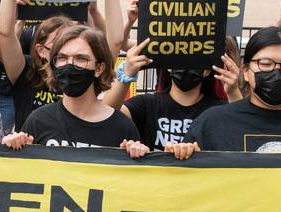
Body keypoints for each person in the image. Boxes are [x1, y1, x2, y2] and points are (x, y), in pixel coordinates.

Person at [0, 0, 124, 130]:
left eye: (74, 48)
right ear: (40, 49)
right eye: (58, 47)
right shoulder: (26, 72)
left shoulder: (86, 72)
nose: (69, 59)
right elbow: (5, 33)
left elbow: (114, 41)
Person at [0, 25, 148, 158]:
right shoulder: (38, 121)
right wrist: (12, 148)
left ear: (99, 68)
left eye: (80, 58)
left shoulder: (123, 128)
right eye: (62, 58)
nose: (69, 65)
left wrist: (138, 156)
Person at [182, 27, 281, 153]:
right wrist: (181, 157)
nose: (277, 73)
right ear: (245, 71)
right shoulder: (211, 124)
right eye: (265, 64)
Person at [100, 38, 242, 150]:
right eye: (180, 58)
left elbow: (243, 134)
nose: (186, 64)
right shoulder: (147, 104)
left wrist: (234, 92)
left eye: (195, 60)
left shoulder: (217, 111)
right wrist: (126, 76)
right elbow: (104, 117)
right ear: (168, 65)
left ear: (207, 70)